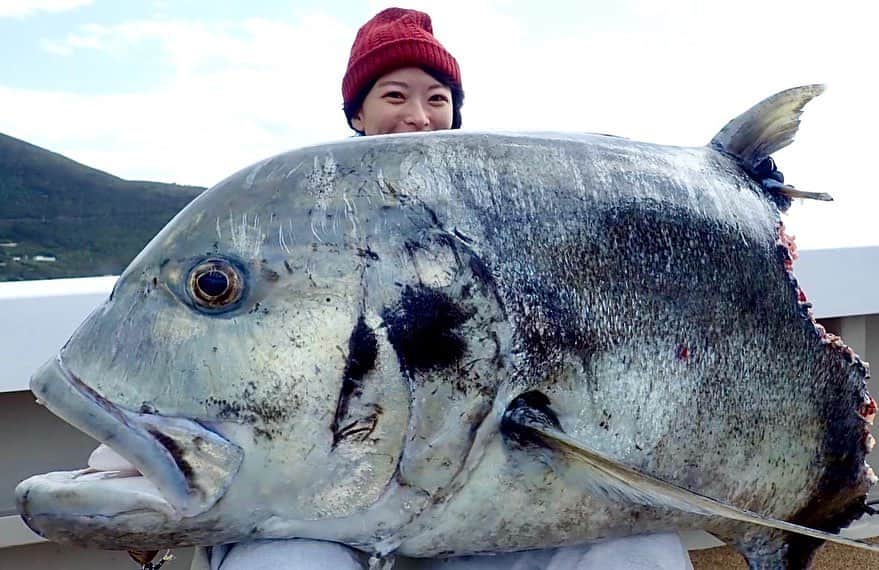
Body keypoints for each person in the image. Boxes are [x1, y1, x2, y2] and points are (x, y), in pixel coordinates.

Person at [191, 7, 695, 570]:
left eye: (437, 98)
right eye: (394, 96)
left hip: (471, 486)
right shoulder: (292, 222)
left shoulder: (501, 212)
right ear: (357, 114)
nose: (418, 117)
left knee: (638, 550)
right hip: (327, 497)